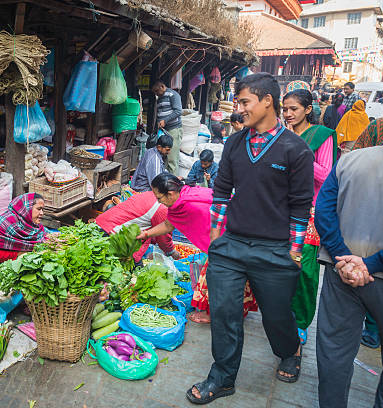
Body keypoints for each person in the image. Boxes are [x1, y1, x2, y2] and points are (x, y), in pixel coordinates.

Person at [186, 73, 314, 404]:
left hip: (274, 250)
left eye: (245, 102)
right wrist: (216, 240)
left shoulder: (296, 149)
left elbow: (301, 206)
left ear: (267, 101)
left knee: (276, 315)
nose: (239, 109)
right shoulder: (233, 144)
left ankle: (290, 349)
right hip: (230, 246)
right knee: (225, 312)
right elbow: (221, 193)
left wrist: (295, 253)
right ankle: (223, 377)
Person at [314, 102, 383, 408]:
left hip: (342, 273)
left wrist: (344, 258)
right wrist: (372, 263)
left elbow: (323, 212)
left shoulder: (350, 160)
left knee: (333, 353)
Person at [136, 173, 256, 324]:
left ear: (171, 193)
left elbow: (172, 225)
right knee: (238, 276)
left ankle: (212, 314)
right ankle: (235, 310)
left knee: (214, 276)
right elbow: (169, 224)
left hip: (230, 239)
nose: (159, 202)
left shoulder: (188, 206)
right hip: (245, 231)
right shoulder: (188, 194)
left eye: (159, 198)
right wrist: (146, 233)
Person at [282, 89, 337, 345]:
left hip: (309, 212)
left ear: (307, 109)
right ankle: (280, 316)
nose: (288, 114)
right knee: (278, 265)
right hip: (279, 209)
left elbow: (326, 175)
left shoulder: (322, 136)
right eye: (285, 109)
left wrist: (297, 154)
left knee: (304, 270)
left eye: (293, 109)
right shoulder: (279, 134)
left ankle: (300, 323)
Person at [95, 191, 179, 263]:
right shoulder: (163, 208)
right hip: (112, 231)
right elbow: (163, 237)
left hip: (103, 223)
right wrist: (171, 251)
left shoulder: (150, 194)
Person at [152, 80, 183, 175]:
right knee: (164, 158)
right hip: (164, 131)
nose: (156, 94)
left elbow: (178, 111)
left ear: (162, 86)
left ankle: (173, 184)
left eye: (157, 91)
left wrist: (165, 120)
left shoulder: (173, 95)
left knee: (172, 158)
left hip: (173, 129)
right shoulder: (160, 98)